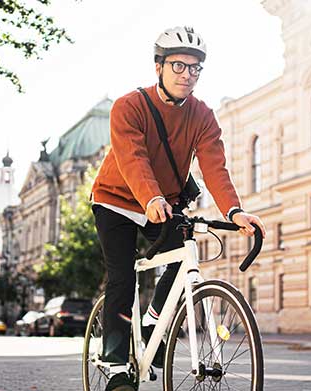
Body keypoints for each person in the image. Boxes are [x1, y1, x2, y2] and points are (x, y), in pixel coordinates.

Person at [90, 26, 266, 391]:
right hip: (117, 200)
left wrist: (235, 211)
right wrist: (151, 197)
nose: (188, 75)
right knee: (123, 275)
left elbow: (215, 166)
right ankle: (115, 361)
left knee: (181, 253)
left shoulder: (202, 115)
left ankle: (153, 325)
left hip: (165, 204)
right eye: (179, 66)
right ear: (159, 67)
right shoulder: (129, 106)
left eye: (195, 68)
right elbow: (133, 157)